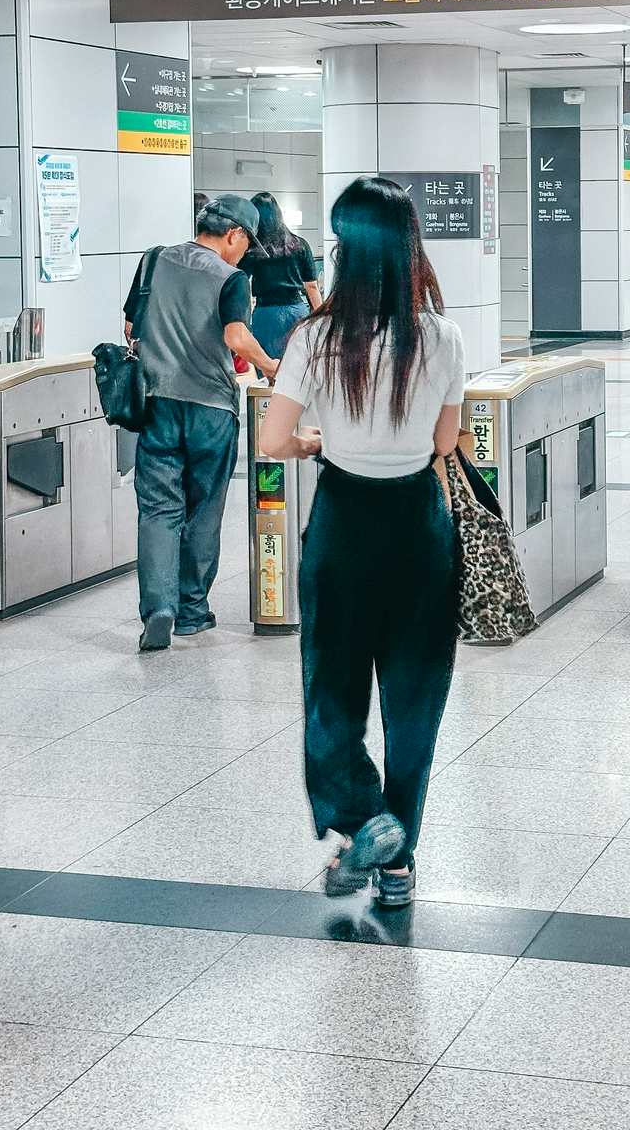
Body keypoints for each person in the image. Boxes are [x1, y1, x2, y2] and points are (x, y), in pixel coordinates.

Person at [258, 176, 464, 909]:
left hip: (343, 522)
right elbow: (446, 442)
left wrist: (322, 441)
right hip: (418, 525)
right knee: (415, 703)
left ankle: (364, 819)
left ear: (344, 251)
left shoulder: (313, 336)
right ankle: (399, 859)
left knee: (332, 695)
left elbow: (274, 437)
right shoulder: (441, 335)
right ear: (410, 249)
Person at [125, 195, 278, 653]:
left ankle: (158, 610)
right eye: (246, 245)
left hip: (156, 401)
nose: (245, 254)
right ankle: (191, 611)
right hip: (211, 407)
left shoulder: (153, 261)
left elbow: (133, 326)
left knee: (157, 510)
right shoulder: (232, 279)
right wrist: (270, 366)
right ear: (233, 234)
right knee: (204, 508)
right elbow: (234, 335)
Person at [241, 192, 323, 360]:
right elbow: (312, 287)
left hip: (266, 314)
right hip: (296, 312)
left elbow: (240, 281)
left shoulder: (251, 250)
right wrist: (321, 318)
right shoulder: (300, 244)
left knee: (267, 369)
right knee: (298, 364)